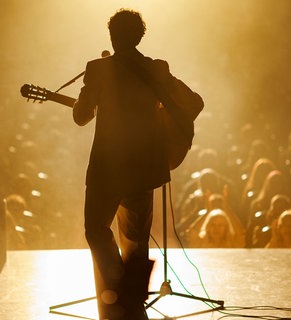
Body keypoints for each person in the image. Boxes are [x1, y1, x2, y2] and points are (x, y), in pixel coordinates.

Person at [72, 9, 203, 320]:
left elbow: (80, 116)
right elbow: (194, 103)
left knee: (96, 229)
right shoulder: (156, 69)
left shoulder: (98, 69)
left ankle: (118, 295)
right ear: (140, 36)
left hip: (106, 168)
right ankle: (131, 308)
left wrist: (86, 97)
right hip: (144, 169)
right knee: (135, 240)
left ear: (112, 37)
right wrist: (160, 116)